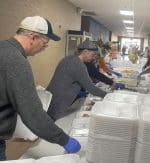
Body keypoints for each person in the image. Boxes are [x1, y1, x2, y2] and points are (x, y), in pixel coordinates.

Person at [0, 16, 81, 160]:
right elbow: (32, 114)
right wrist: (64, 140)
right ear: (33, 37)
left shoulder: (3, 48)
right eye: (44, 44)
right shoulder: (17, 62)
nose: (44, 49)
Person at [47, 40, 107, 121]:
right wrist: (108, 96)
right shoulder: (79, 65)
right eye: (92, 55)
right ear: (85, 51)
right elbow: (91, 88)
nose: (93, 58)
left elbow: (68, 80)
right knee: (55, 122)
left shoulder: (68, 58)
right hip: (60, 101)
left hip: (51, 97)